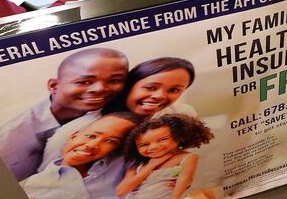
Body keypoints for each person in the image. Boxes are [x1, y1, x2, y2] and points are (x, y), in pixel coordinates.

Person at [0, 48, 129, 181]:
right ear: (53, 86)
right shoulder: (11, 141)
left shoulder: (109, 116)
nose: (100, 89)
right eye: (84, 82)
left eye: (114, 81)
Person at [39, 57, 198, 170]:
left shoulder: (181, 115)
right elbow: (45, 177)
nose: (160, 96)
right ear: (130, 85)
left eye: (174, 90)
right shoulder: (80, 128)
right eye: (150, 87)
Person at [20, 111, 142, 199]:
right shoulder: (28, 187)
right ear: (73, 137)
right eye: (91, 136)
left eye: (111, 141)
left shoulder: (120, 166)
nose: (93, 144)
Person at [105, 114, 214, 199]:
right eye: (144, 144)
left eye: (163, 139)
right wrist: (150, 166)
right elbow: (122, 191)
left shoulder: (187, 157)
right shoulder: (138, 165)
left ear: (179, 137)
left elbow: (186, 178)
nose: (153, 147)